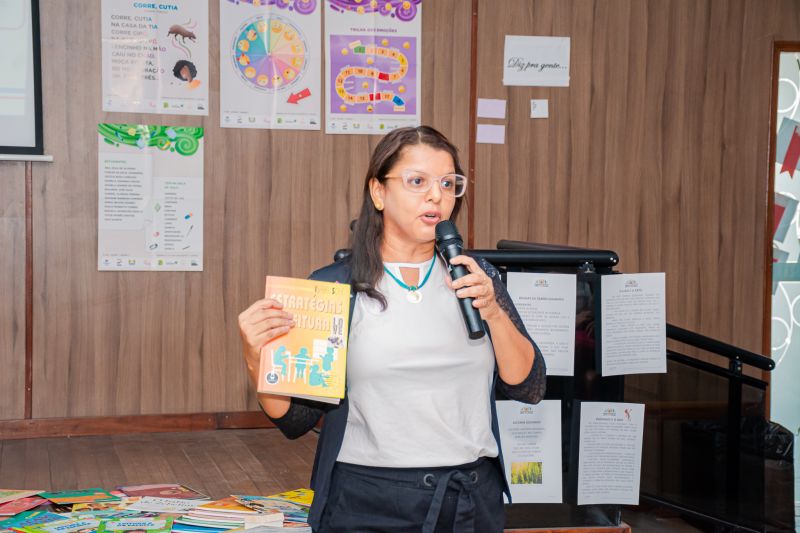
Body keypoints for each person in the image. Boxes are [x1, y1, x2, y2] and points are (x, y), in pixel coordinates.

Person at [239, 125, 546, 533]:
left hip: (470, 498)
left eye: (448, 183)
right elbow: (296, 420)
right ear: (378, 192)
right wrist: (255, 357)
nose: (436, 196)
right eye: (417, 182)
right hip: (368, 501)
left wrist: (492, 311)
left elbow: (529, 387)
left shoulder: (477, 277)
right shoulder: (334, 287)